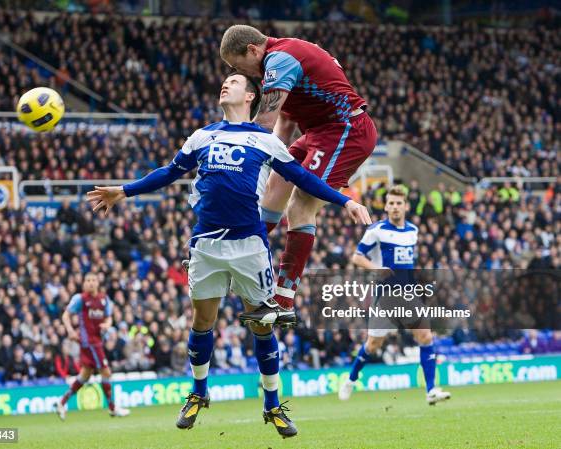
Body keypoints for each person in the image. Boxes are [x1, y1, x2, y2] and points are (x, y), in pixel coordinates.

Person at [86, 72, 371, 438]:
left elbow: (304, 179)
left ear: (251, 96)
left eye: (233, 81)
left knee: (262, 324)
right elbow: (169, 172)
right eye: (223, 80)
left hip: (250, 245)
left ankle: (272, 405)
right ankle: (199, 392)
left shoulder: (265, 140)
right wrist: (123, 191)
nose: (225, 83)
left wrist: (344, 200)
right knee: (202, 322)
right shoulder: (203, 135)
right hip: (206, 244)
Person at [220, 25, 378, 325]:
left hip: (345, 130)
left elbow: (264, 123)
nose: (244, 73)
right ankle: (235, 254)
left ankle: (283, 300)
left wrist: (230, 149)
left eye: (241, 67)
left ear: (253, 50)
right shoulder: (284, 59)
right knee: (274, 189)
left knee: (300, 205)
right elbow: (283, 127)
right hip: (319, 132)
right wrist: (265, 163)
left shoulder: (280, 60)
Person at [338, 186, 451, 405]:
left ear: (406, 206)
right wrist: (376, 269)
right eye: (391, 203)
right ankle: (351, 379)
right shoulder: (376, 230)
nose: (395, 207)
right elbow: (357, 257)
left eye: (399, 203)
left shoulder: (412, 231)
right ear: (386, 206)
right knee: (373, 345)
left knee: (426, 336)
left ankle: (431, 390)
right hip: (385, 294)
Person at [54, 272, 130, 420]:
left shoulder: (104, 299)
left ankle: (61, 402)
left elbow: (109, 318)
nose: (90, 283)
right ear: (84, 283)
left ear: (98, 282)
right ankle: (113, 408)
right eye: (87, 280)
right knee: (106, 372)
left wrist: (107, 325)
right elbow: (65, 315)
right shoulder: (79, 299)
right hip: (90, 342)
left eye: (93, 280)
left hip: (96, 341)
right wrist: (70, 331)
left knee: (85, 375)